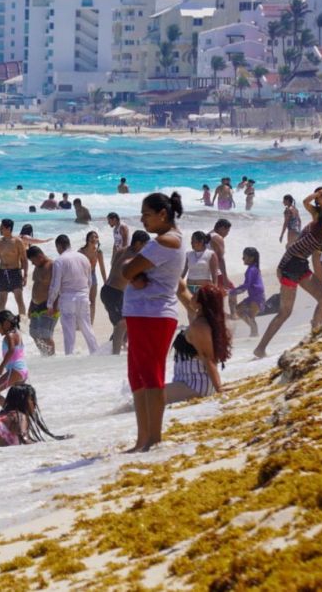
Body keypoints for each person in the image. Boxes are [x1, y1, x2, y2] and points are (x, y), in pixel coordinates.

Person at [122, 192, 187, 453]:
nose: (142, 220)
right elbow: (131, 270)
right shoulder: (169, 241)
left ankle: (153, 439)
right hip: (145, 313)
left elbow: (126, 269)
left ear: (163, 214)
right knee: (138, 376)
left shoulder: (165, 241)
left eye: (146, 215)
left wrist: (131, 271)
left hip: (154, 314)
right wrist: (133, 272)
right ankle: (143, 439)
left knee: (150, 375)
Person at [253, 203, 322, 357]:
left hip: (301, 266)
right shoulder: (316, 232)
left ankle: (314, 338)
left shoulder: (321, 227)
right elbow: (293, 248)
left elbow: (318, 247)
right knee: (285, 313)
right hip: (290, 269)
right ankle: (260, 348)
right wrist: (280, 269)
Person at [166, 285, 231, 404]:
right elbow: (182, 291)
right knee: (145, 394)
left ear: (200, 304)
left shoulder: (199, 326)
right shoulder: (204, 320)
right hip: (188, 381)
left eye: (195, 295)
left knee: (146, 395)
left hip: (195, 384)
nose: (192, 295)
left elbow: (208, 358)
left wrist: (219, 388)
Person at [0, 384, 69, 448]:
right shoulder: (19, 416)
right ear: (23, 401)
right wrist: (53, 446)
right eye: (32, 399)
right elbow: (26, 441)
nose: (34, 403)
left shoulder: (6, 414)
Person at [48, 235, 99, 356]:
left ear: (59, 246)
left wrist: (50, 303)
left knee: (69, 332)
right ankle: (96, 353)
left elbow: (55, 285)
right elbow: (90, 281)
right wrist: (86, 295)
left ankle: (69, 356)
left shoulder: (59, 260)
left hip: (67, 298)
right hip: (83, 296)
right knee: (87, 328)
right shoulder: (83, 258)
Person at [102, 230, 151, 355]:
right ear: (138, 243)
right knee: (122, 324)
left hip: (110, 291)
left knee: (127, 323)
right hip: (113, 293)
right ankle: (114, 354)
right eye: (145, 245)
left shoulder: (122, 250)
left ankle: (116, 349)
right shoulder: (133, 258)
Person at [0, 310, 27, 407]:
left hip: (16, 370)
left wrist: (1, 367)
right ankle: (19, 415)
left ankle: (11, 412)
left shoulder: (10, 335)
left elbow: (11, 350)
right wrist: (1, 366)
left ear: (6, 324)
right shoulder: (16, 333)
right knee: (17, 399)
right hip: (21, 370)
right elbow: (15, 355)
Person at [26, 246, 58, 356]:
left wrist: (55, 305)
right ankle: (45, 355)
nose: (32, 264)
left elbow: (59, 287)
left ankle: (51, 358)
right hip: (35, 305)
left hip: (48, 304)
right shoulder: (37, 267)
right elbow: (36, 286)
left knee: (46, 335)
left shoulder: (52, 266)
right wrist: (30, 306)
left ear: (39, 256)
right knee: (34, 333)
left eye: (32, 261)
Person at [0, 219, 29, 316]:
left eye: (2, 228)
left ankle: (22, 321)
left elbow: (24, 260)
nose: (0, 230)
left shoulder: (18, 241)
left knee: (19, 299)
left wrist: (25, 275)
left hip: (15, 272)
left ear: (9, 228)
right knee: (2, 301)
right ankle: (0, 323)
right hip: (2, 272)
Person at [230, 248, 265, 337]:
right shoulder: (253, 268)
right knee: (239, 310)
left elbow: (246, 286)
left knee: (250, 316)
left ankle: (254, 334)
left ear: (251, 258)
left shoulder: (252, 269)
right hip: (253, 297)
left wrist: (234, 291)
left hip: (257, 297)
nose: (242, 259)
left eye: (244, 257)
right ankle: (254, 332)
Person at [80, 231, 107, 324]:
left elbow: (102, 269)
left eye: (96, 237)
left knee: (92, 301)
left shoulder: (98, 252)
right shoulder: (81, 251)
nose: (94, 239)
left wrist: (106, 282)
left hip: (93, 275)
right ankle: (82, 321)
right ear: (87, 239)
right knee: (83, 301)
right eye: (92, 237)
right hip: (82, 277)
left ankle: (91, 323)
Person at [207, 219, 233, 294]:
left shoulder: (207, 235)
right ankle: (232, 306)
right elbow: (220, 259)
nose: (227, 234)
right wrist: (225, 278)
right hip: (214, 273)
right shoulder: (218, 238)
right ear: (221, 228)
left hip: (204, 272)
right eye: (227, 231)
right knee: (232, 290)